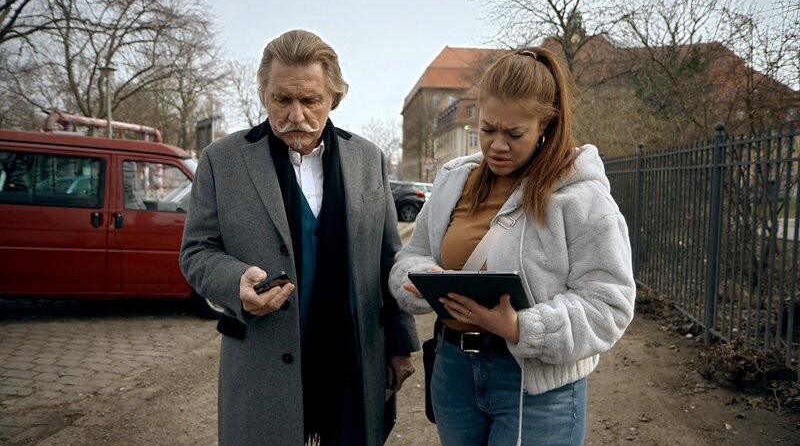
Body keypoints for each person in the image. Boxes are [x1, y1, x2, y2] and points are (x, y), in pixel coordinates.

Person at [180, 29, 419, 446]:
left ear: (334, 99)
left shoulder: (368, 159)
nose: (295, 114)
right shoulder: (222, 160)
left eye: (310, 101)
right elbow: (197, 251)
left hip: (352, 358)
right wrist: (235, 283)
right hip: (262, 363)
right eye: (282, 100)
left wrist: (400, 343)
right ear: (265, 95)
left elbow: (387, 257)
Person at [389, 47, 636, 446]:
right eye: (487, 129)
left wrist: (523, 327)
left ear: (546, 125)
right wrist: (418, 279)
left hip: (535, 389)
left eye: (514, 133)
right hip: (454, 374)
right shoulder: (454, 181)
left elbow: (610, 303)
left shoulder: (582, 197)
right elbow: (410, 256)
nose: (497, 146)